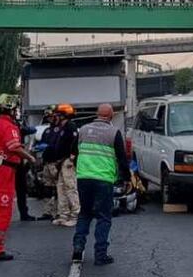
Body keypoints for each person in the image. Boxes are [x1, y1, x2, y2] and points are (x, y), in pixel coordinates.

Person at [0, 100, 36, 261]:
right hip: (3, 170)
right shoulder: (8, 126)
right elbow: (14, 147)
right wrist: (30, 158)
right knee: (3, 210)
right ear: (10, 111)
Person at [71, 104, 128, 266]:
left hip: (83, 178)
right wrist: (126, 177)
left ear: (97, 114)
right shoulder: (114, 133)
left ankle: (77, 248)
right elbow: (122, 159)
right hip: (104, 179)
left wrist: (79, 168)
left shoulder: (83, 130)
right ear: (111, 116)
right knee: (103, 216)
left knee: (85, 213)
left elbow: (73, 151)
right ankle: (100, 254)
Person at [51, 104, 81, 227]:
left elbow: (75, 143)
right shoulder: (61, 128)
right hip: (61, 162)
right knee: (61, 188)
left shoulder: (70, 127)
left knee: (70, 187)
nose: (55, 118)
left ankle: (75, 215)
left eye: (57, 115)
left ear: (63, 116)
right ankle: (63, 215)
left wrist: (72, 157)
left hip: (67, 161)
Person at [37, 108, 62, 221]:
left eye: (52, 116)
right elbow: (43, 143)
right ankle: (47, 211)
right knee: (47, 188)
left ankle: (58, 211)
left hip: (56, 162)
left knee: (59, 187)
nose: (50, 119)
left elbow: (60, 145)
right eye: (48, 117)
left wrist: (49, 147)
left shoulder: (60, 130)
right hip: (47, 162)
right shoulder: (47, 130)